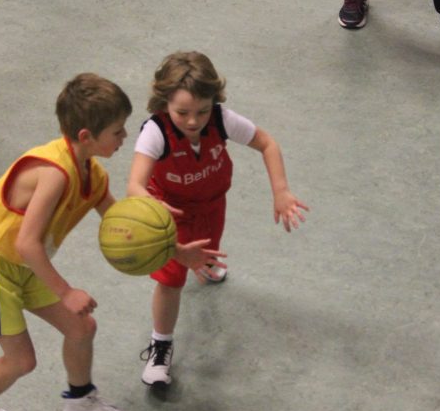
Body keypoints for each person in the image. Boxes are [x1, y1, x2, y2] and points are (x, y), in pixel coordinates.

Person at [0, 73, 225, 411]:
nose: (124, 137)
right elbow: (28, 243)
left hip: (25, 266)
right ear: (86, 136)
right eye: (117, 131)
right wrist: (66, 292)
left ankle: (80, 404)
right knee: (22, 360)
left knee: (81, 328)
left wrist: (176, 251)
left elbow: (119, 222)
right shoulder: (54, 174)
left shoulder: (92, 173)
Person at [126, 51, 309, 388]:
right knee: (170, 281)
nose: (193, 121)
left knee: (209, 249)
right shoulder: (155, 132)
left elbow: (267, 143)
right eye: (182, 112)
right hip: (170, 214)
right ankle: (160, 346)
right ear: (164, 102)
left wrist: (281, 190)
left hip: (212, 204)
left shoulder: (222, 120)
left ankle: (206, 264)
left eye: (202, 111)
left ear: (214, 101)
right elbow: (134, 186)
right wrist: (153, 207)